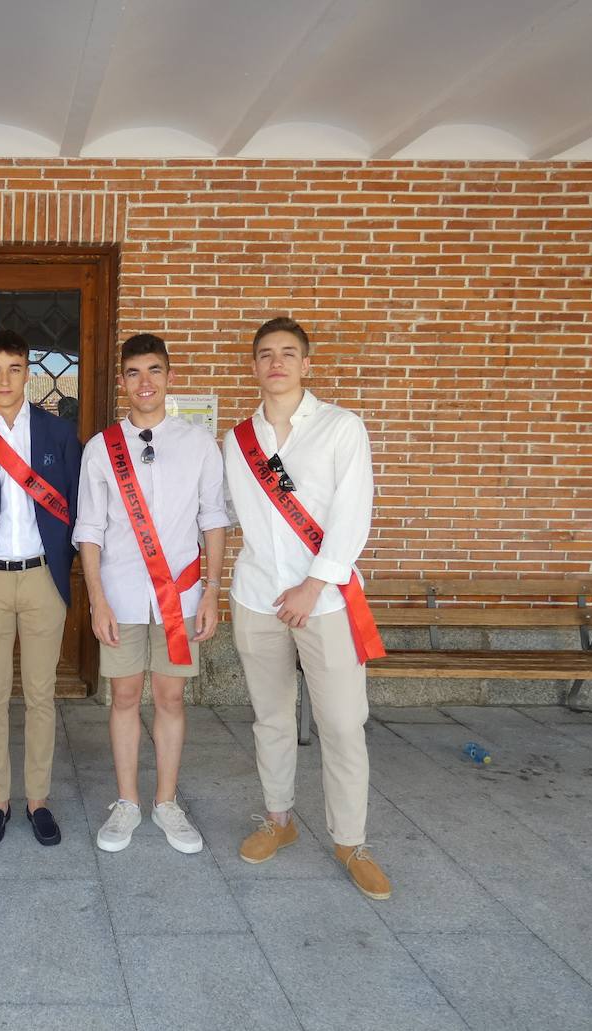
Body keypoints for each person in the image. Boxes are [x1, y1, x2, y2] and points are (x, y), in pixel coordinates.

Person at [222, 316, 391, 900]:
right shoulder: (238, 438)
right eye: (266, 354)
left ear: (307, 364)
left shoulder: (342, 428)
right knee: (270, 718)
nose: (277, 363)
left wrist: (313, 585)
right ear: (254, 366)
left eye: (288, 354)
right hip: (256, 594)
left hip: (324, 601)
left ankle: (351, 841)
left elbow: (354, 514)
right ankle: (279, 819)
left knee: (342, 724)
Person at [74, 334, 229, 854]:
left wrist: (212, 592)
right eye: (135, 372)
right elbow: (89, 528)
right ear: (121, 381)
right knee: (121, 696)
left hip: (179, 598)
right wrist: (96, 599)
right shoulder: (101, 448)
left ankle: (166, 802)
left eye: (155, 371)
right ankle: (127, 802)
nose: (145, 382)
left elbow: (213, 519)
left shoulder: (200, 444)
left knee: (169, 697)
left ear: (170, 377)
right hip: (120, 595)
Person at [0, 330, 82, 847]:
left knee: (43, 696)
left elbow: (73, 503)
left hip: (43, 577)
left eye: (14, 367)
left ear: (28, 372)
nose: (5, 379)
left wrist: (61, 563)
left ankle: (38, 800)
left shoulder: (57, 433)